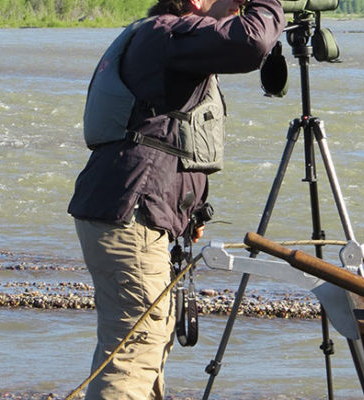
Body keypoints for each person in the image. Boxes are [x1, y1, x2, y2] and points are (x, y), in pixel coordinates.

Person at [67, 0, 285, 398]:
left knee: (147, 334)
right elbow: (251, 42)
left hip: (129, 206)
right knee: (137, 343)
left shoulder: (160, 36)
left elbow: (166, 133)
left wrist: (189, 211)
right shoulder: (167, 33)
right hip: (131, 211)